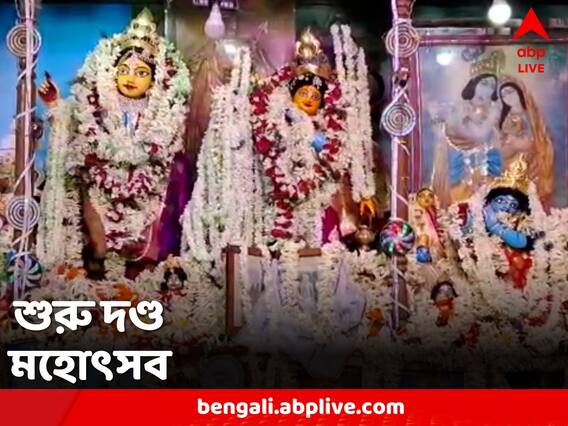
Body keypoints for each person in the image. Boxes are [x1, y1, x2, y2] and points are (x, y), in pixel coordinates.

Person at [37, 9, 195, 279]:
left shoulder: (164, 112)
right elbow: (74, 123)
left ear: (154, 80)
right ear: (112, 73)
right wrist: (53, 103)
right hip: (103, 182)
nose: (130, 78)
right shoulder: (98, 104)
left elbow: (169, 144)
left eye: (141, 72)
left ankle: (145, 276)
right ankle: (98, 268)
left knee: (172, 179)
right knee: (94, 219)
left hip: (147, 186)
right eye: (124, 70)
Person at [431, 51, 504, 207]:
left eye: (491, 87)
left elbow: (497, 148)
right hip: (459, 175)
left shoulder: (491, 117)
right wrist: (491, 119)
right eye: (483, 84)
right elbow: (475, 136)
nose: (486, 91)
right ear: (474, 84)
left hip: (485, 178)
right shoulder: (458, 110)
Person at [498, 77, 554, 209]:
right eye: (503, 95)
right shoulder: (506, 118)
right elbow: (502, 143)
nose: (507, 97)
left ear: (519, 92)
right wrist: (510, 142)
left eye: (510, 92)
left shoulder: (532, 115)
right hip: (512, 164)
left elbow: (537, 139)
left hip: (533, 163)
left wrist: (517, 141)